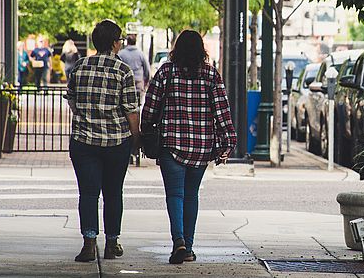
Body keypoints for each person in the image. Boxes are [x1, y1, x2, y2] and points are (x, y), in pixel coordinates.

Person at [142, 30, 236, 264]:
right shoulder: (211, 75)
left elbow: (151, 107)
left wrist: (146, 131)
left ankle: (179, 242)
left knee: (175, 194)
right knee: (191, 195)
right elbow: (222, 112)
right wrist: (228, 140)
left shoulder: (166, 72)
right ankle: (189, 247)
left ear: (177, 49)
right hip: (202, 146)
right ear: (201, 50)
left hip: (171, 144)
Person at [65, 19, 141, 262]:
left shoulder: (80, 67)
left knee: (87, 193)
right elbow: (131, 110)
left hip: (84, 141)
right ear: (114, 44)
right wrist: (136, 139)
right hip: (116, 143)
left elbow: (72, 102)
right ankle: (111, 243)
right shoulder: (123, 71)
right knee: (113, 192)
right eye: (119, 40)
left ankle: (88, 243)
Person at [117, 34, 151, 105]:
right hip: (138, 83)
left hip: (124, 84)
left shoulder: (121, 54)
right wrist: (145, 82)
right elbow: (147, 69)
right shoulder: (141, 54)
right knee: (138, 105)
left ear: (127, 42)